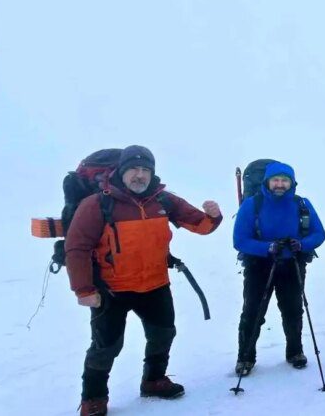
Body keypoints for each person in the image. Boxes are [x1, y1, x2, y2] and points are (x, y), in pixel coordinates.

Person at [65, 145, 223, 416]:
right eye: (133, 170)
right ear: (121, 172)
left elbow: (200, 225)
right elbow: (76, 247)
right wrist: (84, 289)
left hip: (155, 284)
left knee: (163, 334)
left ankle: (154, 380)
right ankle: (93, 398)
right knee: (107, 347)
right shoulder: (97, 204)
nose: (139, 176)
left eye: (145, 170)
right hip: (110, 290)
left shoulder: (163, 200)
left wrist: (213, 215)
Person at [233, 161, 325, 375]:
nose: (280, 184)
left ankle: (295, 352)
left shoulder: (302, 203)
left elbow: (319, 233)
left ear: (292, 183)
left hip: (293, 263)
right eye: (276, 180)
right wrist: (268, 248)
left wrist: (302, 244)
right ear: (267, 181)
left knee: (293, 310)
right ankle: (245, 358)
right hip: (259, 265)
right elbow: (239, 240)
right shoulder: (252, 204)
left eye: (285, 180)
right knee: (253, 311)